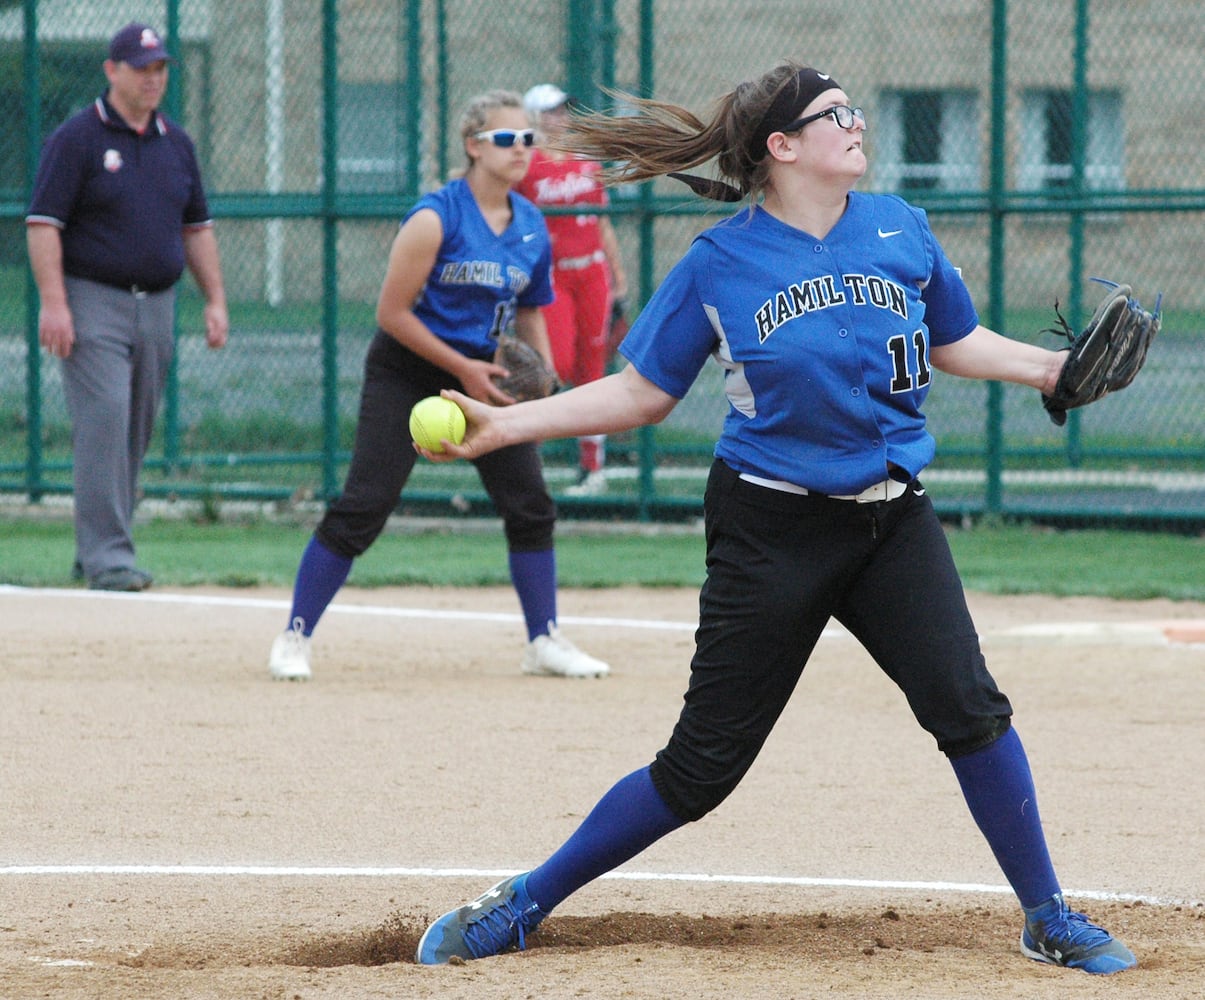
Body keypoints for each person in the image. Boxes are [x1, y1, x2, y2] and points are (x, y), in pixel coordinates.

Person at [413, 64, 1137, 975]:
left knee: (969, 710)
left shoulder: (899, 229)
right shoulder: (722, 260)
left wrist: (1046, 368)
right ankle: (520, 903)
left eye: (854, 108)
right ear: (781, 147)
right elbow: (642, 390)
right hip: (770, 529)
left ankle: (1047, 915)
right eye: (833, 114)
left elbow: (951, 338)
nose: (856, 122)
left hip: (891, 520)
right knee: (699, 770)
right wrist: (504, 425)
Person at [266, 90, 609, 683]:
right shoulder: (435, 217)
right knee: (364, 505)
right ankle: (294, 635)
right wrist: (464, 369)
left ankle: (543, 640)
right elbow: (392, 313)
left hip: (486, 376)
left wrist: (545, 379)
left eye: (528, 138)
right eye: (507, 139)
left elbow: (529, 312)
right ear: (474, 147)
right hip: (409, 370)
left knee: (531, 505)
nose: (522, 149)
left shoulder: (531, 225)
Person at [26, 22, 228, 592]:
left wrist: (214, 299)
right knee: (105, 419)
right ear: (112, 71)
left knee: (134, 426)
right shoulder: (77, 138)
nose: (153, 78)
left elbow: (197, 227)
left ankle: (94, 547)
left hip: (158, 303)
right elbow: (44, 225)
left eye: (160, 68)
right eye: (141, 68)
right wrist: (54, 304)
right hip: (93, 298)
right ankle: (110, 558)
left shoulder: (176, 143)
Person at [515, 84, 629, 497]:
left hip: (592, 273)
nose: (559, 118)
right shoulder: (525, 164)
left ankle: (591, 468)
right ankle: (527, 459)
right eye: (549, 111)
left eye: (562, 110)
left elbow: (601, 222)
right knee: (555, 363)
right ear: (532, 117)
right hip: (552, 276)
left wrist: (619, 278)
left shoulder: (586, 158)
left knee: (592, 369)